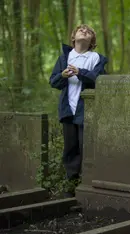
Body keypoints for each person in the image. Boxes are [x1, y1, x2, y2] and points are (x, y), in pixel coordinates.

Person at [49, 24, 108, 197]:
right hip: (68, 110)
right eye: (81, 30)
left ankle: (89, 184)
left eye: (89, 32)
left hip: (87, 110)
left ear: (92, 41)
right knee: (70, 147)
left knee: (87, 146)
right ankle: (71, 186)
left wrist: (80, 71)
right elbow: (53, 81)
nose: (85, 32)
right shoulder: (65, 58)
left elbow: (98, 79)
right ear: (73, 38)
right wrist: (63, 75)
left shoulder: (96, 58)